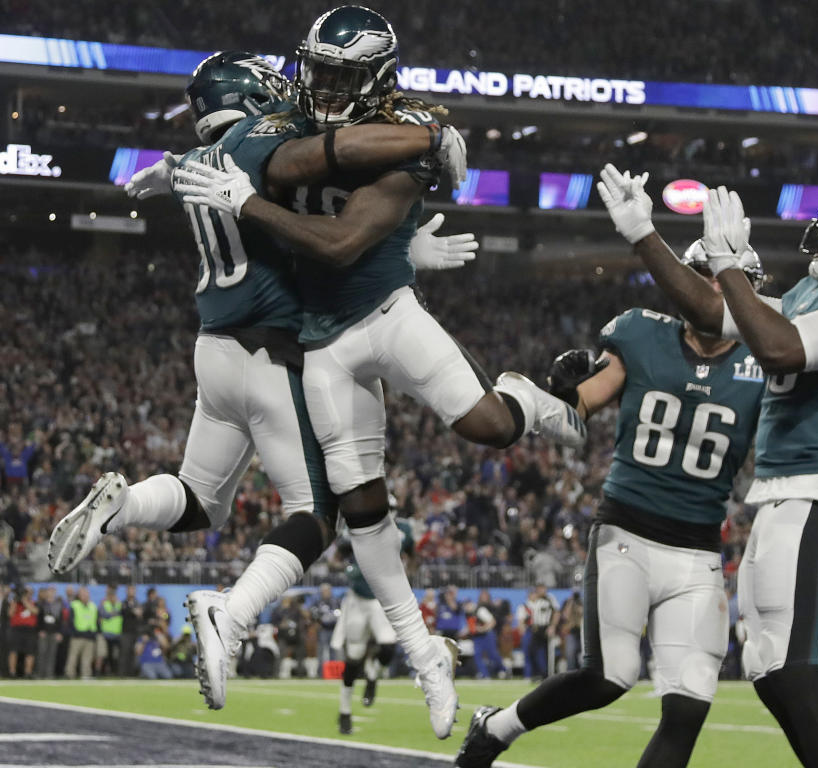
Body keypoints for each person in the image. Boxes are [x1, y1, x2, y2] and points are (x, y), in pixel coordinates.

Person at [170, 9, 588, 738]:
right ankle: (425, 656)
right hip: (321, 340)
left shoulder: (404, 125)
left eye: (342, 75)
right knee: (362, 509)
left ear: (376, 78)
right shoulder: (299, 115)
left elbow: (338, 242)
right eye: (320, 70)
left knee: (489, 427)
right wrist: (215, 174)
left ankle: (533, 395)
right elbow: (300, 158)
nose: (325, 86)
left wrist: (253, 198)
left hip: (389, 312)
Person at [46, 50, 470, 735]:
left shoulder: (200, 159)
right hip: (269, 348)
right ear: (249, 100)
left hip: (212, 350)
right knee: (319, 513)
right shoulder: (257, 142)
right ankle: (231, 611)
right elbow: (329, 167)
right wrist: (427, 144)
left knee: (197, 501)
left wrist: (162, 172)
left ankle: (122, 505)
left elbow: (185, 170)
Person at [595, 165, 818, 767]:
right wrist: (645, 234)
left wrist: (730, 268)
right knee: (770, 667)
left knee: (797, 671)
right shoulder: (809, 293)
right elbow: (711, 313)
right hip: (782, 496)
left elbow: (783, 349)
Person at [456, 241, 766, 767]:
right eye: (704, 277)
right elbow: (578, 410)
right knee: (609, 676)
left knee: (689, 705)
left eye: (727, 279)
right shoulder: (643, 335)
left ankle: (496, 725)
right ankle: (497, 727)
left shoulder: (766, 361)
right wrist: (558, 391)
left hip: (698, 549)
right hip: (629, 533)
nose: (714, 291)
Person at [327, 517, 414, 735]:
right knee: (354, 657)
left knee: (388, 646)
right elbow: (334, 559)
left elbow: (412, 556)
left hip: (380, 599)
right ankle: (344, 711)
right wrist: (347, 569)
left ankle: (373, 673)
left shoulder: (401, 531)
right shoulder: (355, 529)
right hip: (357, 599)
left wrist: (404, 575)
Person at [65, 587, 97, 679]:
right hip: (77, 635)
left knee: (87, 658)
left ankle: (86, 674)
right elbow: (70, 620)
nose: (85, 596)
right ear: (79, 596)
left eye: (86, 594)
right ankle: (70, 674)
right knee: (73, 656)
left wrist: (94, 633)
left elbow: (96, 621)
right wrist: (74, 632)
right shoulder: (75, 605)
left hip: (90, 636)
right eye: (83, 594)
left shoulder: (93, 606)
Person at [7, 585, 38, 678]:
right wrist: (15, 602)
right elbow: (10, 614)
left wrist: (24, 601)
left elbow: (35, 611)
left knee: (30, 652)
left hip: (30, 630)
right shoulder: (15, 602)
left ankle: (28, 672)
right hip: (17, 629)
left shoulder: (33, 602)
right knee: (14, 651)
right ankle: (12, 672)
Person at [97, 585, 123, 676]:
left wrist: (112, 613)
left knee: (115, 655)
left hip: (117, 634)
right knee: (104, 655)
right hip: (106, 633)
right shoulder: (104, 604)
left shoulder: (119, 604)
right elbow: (104, 615)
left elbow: (121, 613)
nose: (112, 597)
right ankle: (101, 672)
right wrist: (114, 613)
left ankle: (114, 672)